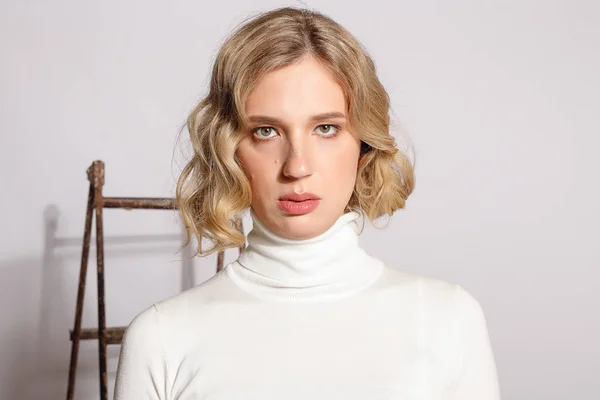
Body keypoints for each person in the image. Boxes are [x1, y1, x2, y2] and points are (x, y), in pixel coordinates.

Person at [114, 6, 501, 399]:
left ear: (365, 143)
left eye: (326, 128)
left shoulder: (447, 319)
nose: (297, 167)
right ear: (229, 148)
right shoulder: (162, 338)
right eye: (266, 131)